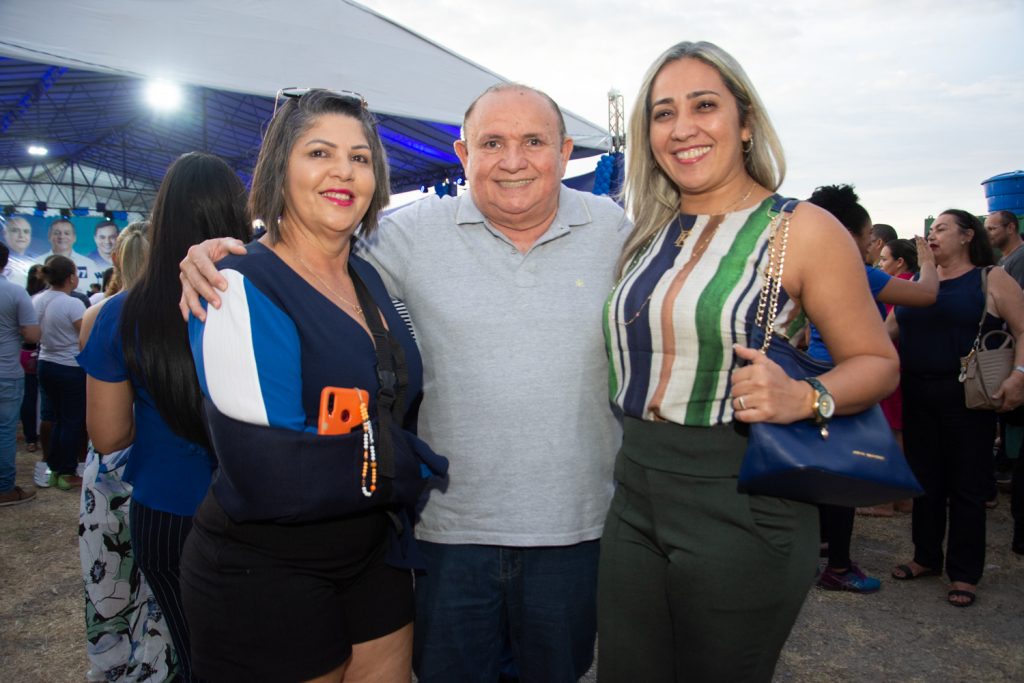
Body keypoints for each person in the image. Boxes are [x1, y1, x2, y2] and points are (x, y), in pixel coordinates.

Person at [180, 83, 629, 682]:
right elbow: (302, 249)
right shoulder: (403, 235)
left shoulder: (618, 235)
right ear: (462, 154)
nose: (513, 160)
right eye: (492, 142)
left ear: (566, 150)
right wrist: (212, 255)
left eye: (533, 142)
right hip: (442, 534)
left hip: (571, 531)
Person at [599, 41, 899, 681]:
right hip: (634, 493)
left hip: (739, 498)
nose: (682, 128)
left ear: (744, 123)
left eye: (703, 105)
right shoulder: (650, 231)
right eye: (662, 112)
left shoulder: (798, 228)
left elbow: (877, 362)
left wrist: (805, 397)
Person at [181, 89, 446, 682]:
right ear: (281, 168)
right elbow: (271, 476)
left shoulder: (370, 278)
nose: (343, 172)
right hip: (265, 569)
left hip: (372, 552)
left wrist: (364, 452)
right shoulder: (235, 288)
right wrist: (406, 465)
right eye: (320, 152)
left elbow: (387, 405)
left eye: (360, 157)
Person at [78, 153, 252, 682]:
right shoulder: (266, 299)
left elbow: (108, 436)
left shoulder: (117, 314)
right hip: (256, 511)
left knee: (195, 659)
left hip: (164, 516)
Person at [804, 184, 936, 594]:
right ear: (846, 234)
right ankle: (839, 568)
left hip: (808, 376)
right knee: (842, 475)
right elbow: (926, 294)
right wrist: (928, 261)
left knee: (812, 469)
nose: (868, 244)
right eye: (865, 236)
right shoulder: (855, 270)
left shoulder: (799, 264)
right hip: (846, 379)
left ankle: (818, 548)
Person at [889, 210, 1024, 607]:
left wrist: (1019, 374)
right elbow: (888, 330)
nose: (932, 235)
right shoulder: (917, 281)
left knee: (966, 485)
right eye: (930, 229)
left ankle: (964, 573)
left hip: (967, 395)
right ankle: (925, 556)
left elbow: (1022, 328)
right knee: (925, 479)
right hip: (916, 389)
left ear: (967, 236)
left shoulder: (990, 277)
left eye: (942, 228)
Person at [76, 221, 174, 682]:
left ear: (118, 260)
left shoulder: (101, 313)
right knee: (155, 581)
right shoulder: (173, 310)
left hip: (108, 468)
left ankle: (117, 665)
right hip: (150, 459)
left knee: (111, 574)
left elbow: (100, 411)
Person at [861, 238, 922, 516]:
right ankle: (902, 498)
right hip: (901, 363)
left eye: (885, 259)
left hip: (892, 364)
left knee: (892, 432)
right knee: (898, 431)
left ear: (900, 262)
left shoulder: (903, 286)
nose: (881, 264)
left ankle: (888, 500)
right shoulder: (909, 283)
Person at [32, 255, 86, 491]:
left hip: (45, 363)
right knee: (71, 420)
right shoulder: (71, 303)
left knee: (51, 416)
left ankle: (52, 467)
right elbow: (85, 336)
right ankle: (67, 470)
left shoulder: (37, 300)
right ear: (71, 277)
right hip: (70, 367)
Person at [0, 243, 40, 506]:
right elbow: (32, 334)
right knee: (4, 430)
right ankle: (4, 488)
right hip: (6, 370)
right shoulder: (14, 292)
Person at [39, 219, 100, 293]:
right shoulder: (39, 261)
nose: (61, 236)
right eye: (57, 233)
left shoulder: (89, 263)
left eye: (66, 233)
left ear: (74, 237)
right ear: (49, 236)